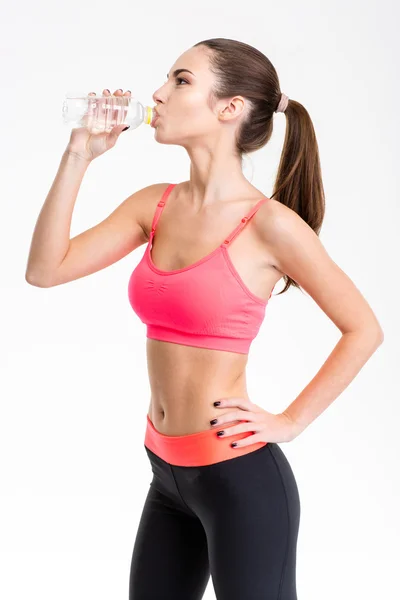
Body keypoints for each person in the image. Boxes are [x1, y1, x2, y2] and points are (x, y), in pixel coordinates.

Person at [26, 38, 384, 600]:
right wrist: (79, 154)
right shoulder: (156, 204)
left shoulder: (271, 225)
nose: (158, 93)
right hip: (165, 474)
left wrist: (290, 422)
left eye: (181, 80)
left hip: (239, 479)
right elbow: (46, 270)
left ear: (230, 108)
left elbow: (364, 329)